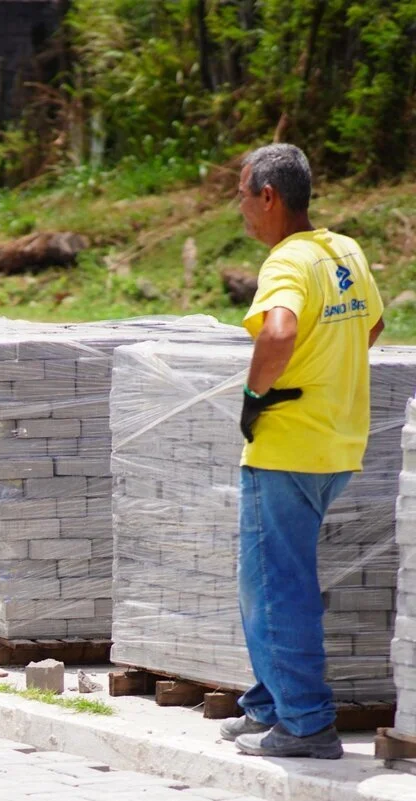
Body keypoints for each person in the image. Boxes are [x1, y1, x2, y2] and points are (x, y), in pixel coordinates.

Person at [220, 144, 385, 759]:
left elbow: (281, 330)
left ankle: (306, 724)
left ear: (269, 196)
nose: (240, 210)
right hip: (338, 442)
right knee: (269, 581)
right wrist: (331, 373)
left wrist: (253, 395)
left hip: (287, 446)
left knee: (275, 585)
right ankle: (271, 703)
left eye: (242, 196)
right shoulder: (343, 250)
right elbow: (370, 326)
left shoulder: (287, 262)